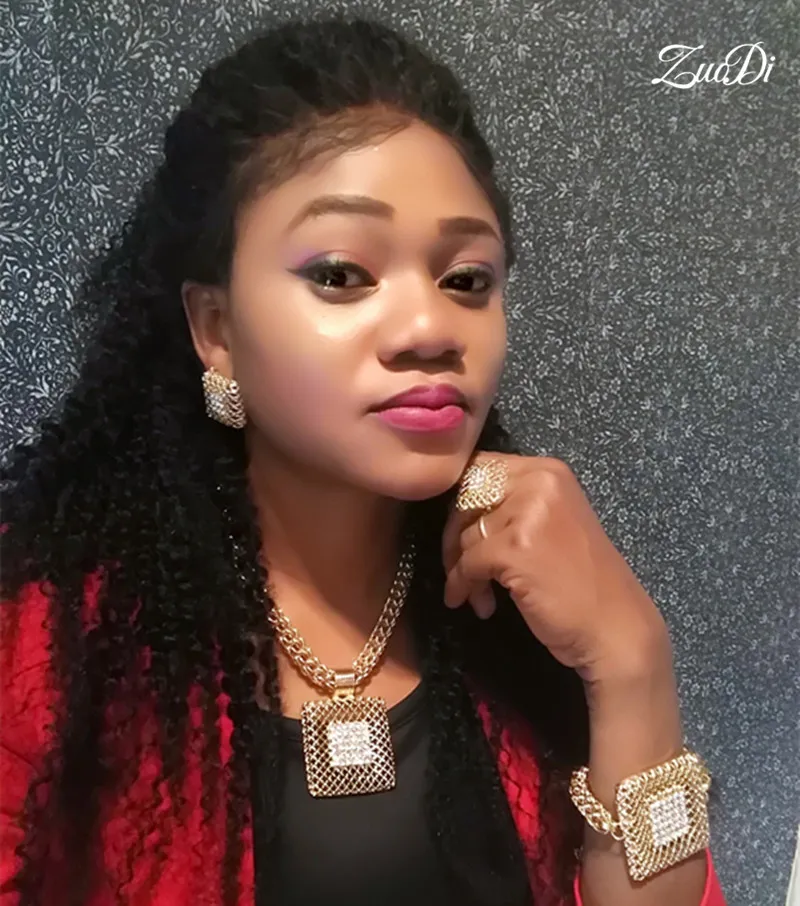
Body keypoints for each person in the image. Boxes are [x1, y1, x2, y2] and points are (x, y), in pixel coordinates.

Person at [0, 14, 726, 906]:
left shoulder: (526, 620)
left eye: (467, 280)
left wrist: (633, 662)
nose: (430, 329)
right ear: (216, 329)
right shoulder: (49, 643)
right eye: (342, 274)